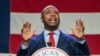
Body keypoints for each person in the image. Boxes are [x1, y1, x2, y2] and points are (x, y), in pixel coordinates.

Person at [17, 5, 90, 56]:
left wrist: (80, 40)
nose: (53, 14)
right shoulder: (32, 42)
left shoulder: (72, 41)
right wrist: (25, 42)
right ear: (42, 19)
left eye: (56, 13)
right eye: (48, 12)